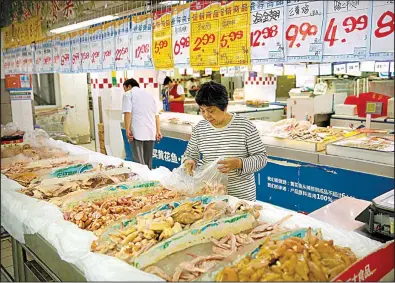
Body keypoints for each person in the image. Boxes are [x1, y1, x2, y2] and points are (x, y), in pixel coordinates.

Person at [182, 81, 268, 201]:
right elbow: (190, 154)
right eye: (202, 110)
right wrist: (189, 161)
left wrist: (239, 163)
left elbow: (261, 158)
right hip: (211, 196)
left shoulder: (245, 126)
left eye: (211, 111)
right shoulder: (200, 128)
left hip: (241, 198)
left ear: (224, 107)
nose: (206, 115)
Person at [122, 78, 162, 169]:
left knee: (139, 162)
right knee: (148, 162)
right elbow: (156, 115)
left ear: (129, 86)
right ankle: (150, 180)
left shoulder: (128, 94)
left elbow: (127, 112)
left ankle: (143, 180)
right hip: (151, 131)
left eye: (125, 88)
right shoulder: (149, 95)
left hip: (137, 132)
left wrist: (127, 129)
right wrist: (158, 130)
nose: (124, 91)